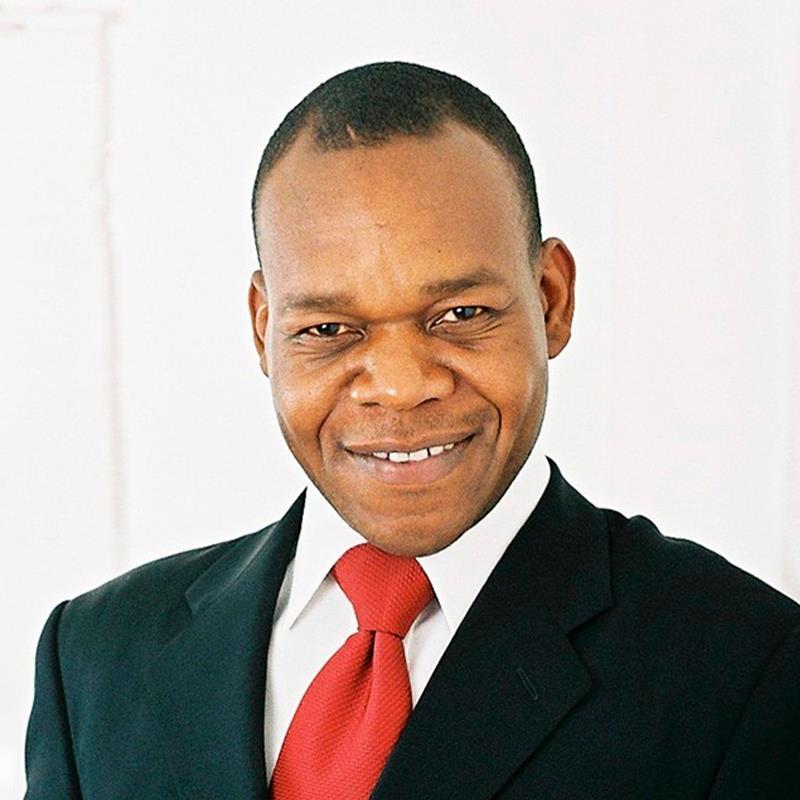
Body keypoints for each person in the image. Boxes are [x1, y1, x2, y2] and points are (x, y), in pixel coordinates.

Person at [24, 61, 800, 799]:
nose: (399, 385)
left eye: (460, 314)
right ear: (264, 329)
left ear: (551, 298)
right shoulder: (95, 656)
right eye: (328, 328)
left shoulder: (744, 668)